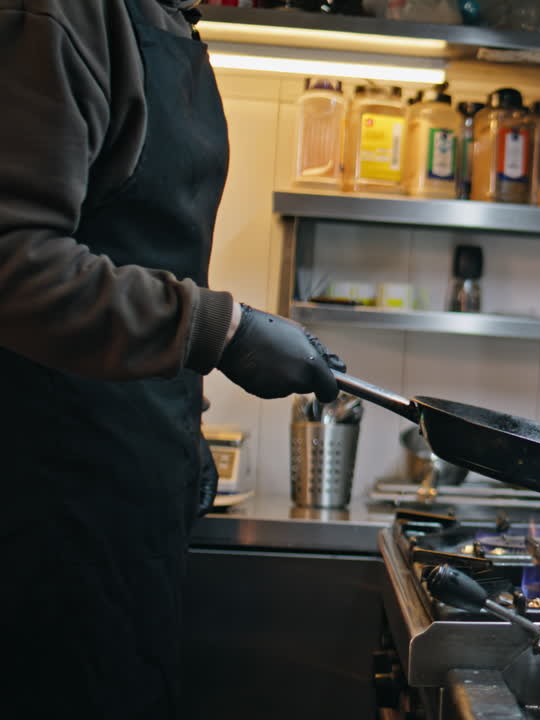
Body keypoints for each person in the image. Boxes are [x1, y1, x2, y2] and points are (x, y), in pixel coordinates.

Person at [0, 1, 342, 716]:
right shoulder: (60, 19)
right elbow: (14, 262)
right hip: (42, 499)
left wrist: (181, 428)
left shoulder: (169, 24)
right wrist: (222, 332)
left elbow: (139, 249)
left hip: (127, 479)